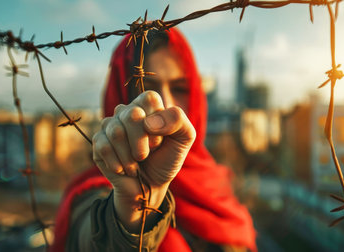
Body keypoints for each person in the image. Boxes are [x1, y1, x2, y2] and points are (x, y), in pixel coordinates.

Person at [52, 28, 257, 252]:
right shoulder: (99, 189)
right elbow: (92, 236)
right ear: (121, 98)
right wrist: (130, 209)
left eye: (179, 88)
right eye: (146, 89)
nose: (166, 104)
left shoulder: (216, 182)